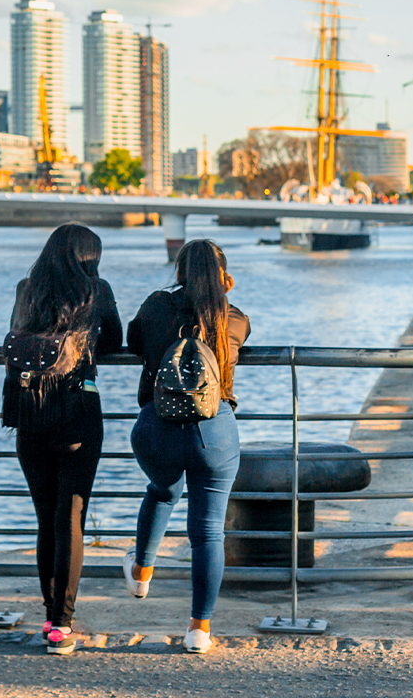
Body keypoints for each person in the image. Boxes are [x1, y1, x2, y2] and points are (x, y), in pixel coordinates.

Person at [122, 239, 248, 655]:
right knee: (208, 532)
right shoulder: (233, 319)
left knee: (162, 489)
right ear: (224, 278)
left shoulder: (157, 305)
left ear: (179, 273)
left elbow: (134, 339)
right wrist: (222, 294)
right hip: (214, 431)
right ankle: (199, 630)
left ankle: (141, 571)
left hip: (156, 429)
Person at [5, 223, 123, 655]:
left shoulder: (26, 288)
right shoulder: (97, 289)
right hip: (77, 413)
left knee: (45, 516)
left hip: (29, 412)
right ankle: (62, 624)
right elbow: (114, 341)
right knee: (69, 517)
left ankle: (49, 618)